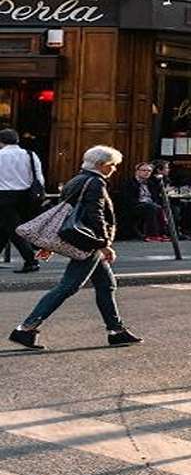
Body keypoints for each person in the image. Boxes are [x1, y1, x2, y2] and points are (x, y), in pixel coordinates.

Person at [8, 144, 141, 350]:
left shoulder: (76, 180)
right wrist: (105, 244)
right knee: (68, 286)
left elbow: (63, 215)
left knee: (106, 285)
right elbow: (96, 216)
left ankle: (117, 331)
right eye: (113, 165)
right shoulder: (95, 183)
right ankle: (25, 329)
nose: (114, 169)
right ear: (102, 165)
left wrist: (52, 244)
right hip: (88, 242)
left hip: (82, 239)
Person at [0, 127, 44, 274]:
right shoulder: (30, 154)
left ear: (1, 142)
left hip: (4, 196)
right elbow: (38, 177)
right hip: (26, 197)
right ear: (17, 140)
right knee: (5, 227)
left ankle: (31, 260)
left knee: (13, 229)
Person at [128, 162, 167, 242]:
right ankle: (151, 235)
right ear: (137, 171)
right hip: (136, 205)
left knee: (162, 207)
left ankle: (162, 234)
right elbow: (129, 199)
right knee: (152, 207)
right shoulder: (130, 183)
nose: (146, 172)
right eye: (144, 170)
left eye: (149, 171)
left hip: (151, 205)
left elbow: (156, 197)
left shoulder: (151, 183)